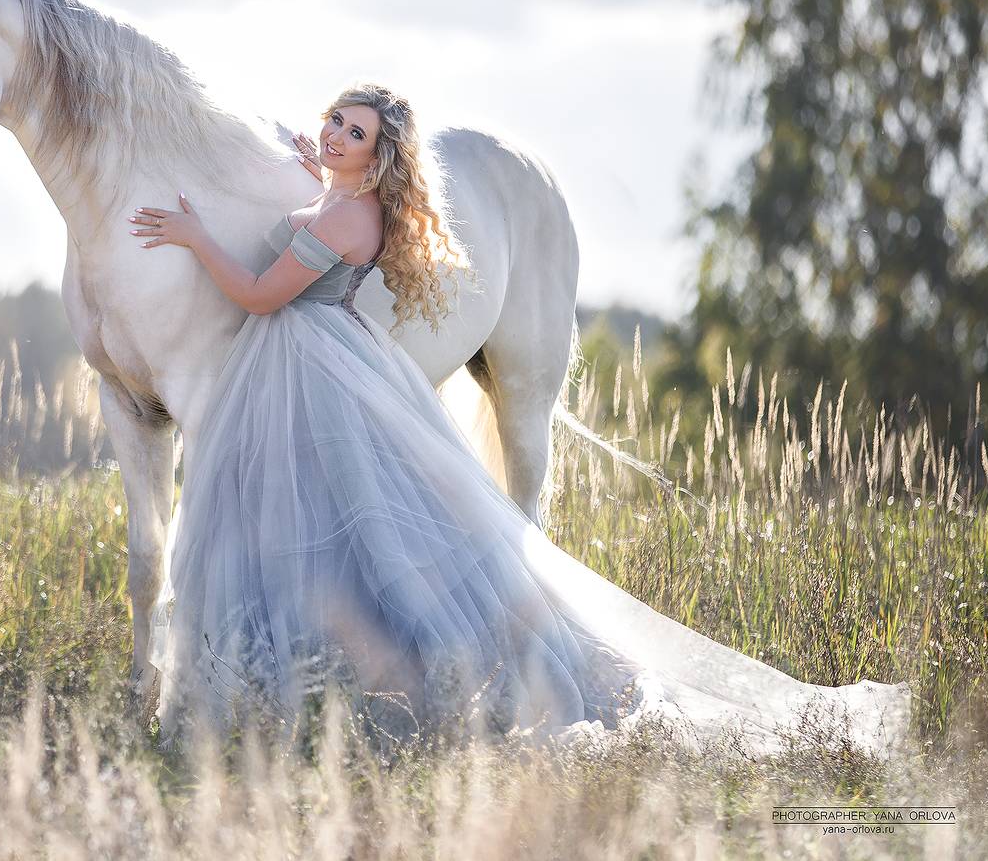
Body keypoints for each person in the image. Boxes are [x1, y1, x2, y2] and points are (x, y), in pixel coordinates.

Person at [128, 82, 912, 758]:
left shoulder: (349, 219)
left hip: (310, 360)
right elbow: (314, 214)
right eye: (335, 118)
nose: (334, 133)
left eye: (353, 132)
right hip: (298, 361)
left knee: (336, 528)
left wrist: (195, 237)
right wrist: (317, 171)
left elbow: (260, 294)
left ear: (379, 157)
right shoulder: (339, 199)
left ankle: (361, 688)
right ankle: (270, 693)